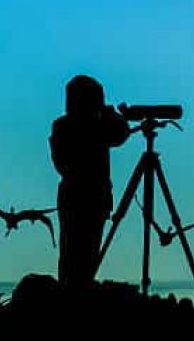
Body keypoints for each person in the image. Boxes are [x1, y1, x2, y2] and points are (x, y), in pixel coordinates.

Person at [50, 75, 130, 293]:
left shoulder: (64, 126)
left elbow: (120, 135)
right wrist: (111, 115)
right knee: (77, 256)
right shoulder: (88, 126)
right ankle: (76, 294)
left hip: (83, 198)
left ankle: (76, 292)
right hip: (86, 198)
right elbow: (121, 134)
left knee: (79, 255)